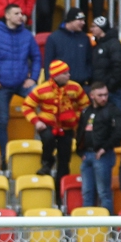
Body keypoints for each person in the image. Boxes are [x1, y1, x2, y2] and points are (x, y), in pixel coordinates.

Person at [0, 3, 39, 149]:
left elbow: (36, 57)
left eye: (21, 13)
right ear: (7, 16)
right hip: (2, 85)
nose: (20, 16)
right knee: (2, 120)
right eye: (16, 13)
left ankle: (42, 146)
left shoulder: (27, 35)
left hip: (22, 83)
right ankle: (3, 154)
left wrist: (33, 78)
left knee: (44, 101)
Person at [22, 59, 89, 188]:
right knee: (48, 139)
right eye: (65, 73)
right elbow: (27, 106)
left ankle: (60, 191)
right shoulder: (41, 89)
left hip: (67, 127)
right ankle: (47, 162)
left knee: (64, 159)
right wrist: (36, 121)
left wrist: (75, 117)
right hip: (48, 124)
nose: (69, 75)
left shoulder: (75, 88)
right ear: (56, 75)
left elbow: (85, 105)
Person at [76, 82, 121, 213]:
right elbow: (80, 131)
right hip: (87, 154)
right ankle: (87, 223)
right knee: (87, 193)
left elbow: (120, 131)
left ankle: (107, 223)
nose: (104, 98)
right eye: (100, 95)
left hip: (103, 155)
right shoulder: (86, 111)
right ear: (92, 95)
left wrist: (105, 148)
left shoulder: (112, 110)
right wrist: (80, 151)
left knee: (104, 193)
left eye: (106, 95)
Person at [45, 8, 92, 87]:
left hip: (82, 85)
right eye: (80, 20)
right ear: (70, 20)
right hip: (60, 86)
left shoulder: (84, 38)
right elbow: (48, 63)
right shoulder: (54, 38)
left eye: (84, 20)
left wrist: (88, 76)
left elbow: (89, 61)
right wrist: (50, 84)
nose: (83, 23)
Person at [89, 16, 121, 114]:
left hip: (113, 91)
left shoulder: (114, 44)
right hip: (100, 90)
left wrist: (109, 86)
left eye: (94, 26)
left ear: (101, 28)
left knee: (118, 118)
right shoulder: (98, 45)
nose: (91, 29)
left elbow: (118, 67)